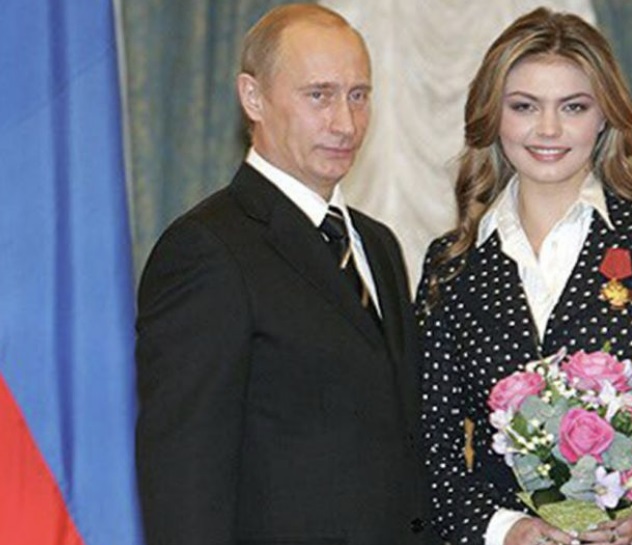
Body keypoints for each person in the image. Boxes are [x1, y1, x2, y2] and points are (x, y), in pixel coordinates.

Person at [416, 7, 632, 545]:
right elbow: (429, 448)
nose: (548, 129)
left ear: (605, 116)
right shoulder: (453, 265)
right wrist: (505, 529)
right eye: (524, 106)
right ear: (493, 116)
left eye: (574, 107)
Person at [135, 5, 435, 545]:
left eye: (358, 95)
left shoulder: (378, 245)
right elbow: (183, 480)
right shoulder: (207, 249)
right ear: (253, 97)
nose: (345, 123)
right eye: (319, 95)